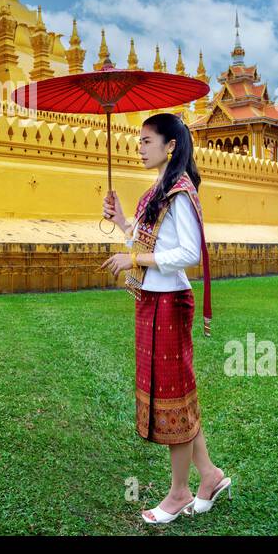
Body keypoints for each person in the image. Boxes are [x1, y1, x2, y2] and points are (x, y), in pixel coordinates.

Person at [100, 112, 232, 524]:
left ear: (169, 145)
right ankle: (209, 475)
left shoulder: (179, 191)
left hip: (170, 303)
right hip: (151, 302)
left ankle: (178, 494)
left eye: (146, 140)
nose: (138, 147)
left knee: (173, 398)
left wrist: (135, 257)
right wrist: (121, 219)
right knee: (174, 395)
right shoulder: (154, 192)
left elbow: (189, 254)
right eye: (137, 140)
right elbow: (144, 241)